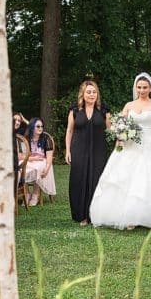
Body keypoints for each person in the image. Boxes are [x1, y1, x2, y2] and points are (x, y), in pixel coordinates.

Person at [89, 73, 151, 230]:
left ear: (150, 88)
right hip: (130, 145)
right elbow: (120, 124)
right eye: (139, 87)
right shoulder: (129, 105)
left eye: (145, 87)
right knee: (126, 179)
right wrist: (120, 134)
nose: (142, 90)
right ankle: (129, 216)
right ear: (135, 88)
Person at [65, 80, 112, 226]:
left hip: (99, 150)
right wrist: (67, 150)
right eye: (89, 92)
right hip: (78, 149)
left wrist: (123, 135)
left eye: (94, 92)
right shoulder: (75, 111)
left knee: (96, 180)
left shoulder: (104, 111)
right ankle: (81, 215)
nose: (92, 94)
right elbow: (69, 131)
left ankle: (95, 214)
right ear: (83, 94)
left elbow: (111, 131)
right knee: (78, 180)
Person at [24, 117, 57, 206]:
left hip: (43, 161)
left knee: (37, 168)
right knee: (21, 167)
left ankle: (36, 194)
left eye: (42, 126)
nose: (40, 128)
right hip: (30, 160)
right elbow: (23, 156)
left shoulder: (46, 138)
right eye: (38, 126)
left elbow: (49, 158)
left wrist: (46, 169)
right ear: (32, 127)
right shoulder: (26, 138)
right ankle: (26, 193)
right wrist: (32, 159)